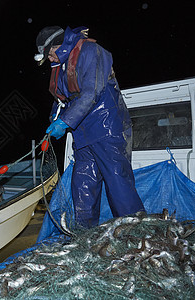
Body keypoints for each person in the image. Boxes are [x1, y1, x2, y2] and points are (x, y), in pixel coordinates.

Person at [34, 26, 145, 228]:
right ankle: (85, 235)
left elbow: (90, 93)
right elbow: (60, 101)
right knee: (82, 184)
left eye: (49, 54)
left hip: (106, 128)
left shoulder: (91, 52)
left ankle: (135, 232)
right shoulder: (61, 65)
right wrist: (54, 121)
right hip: (83, 134)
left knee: (118, 182)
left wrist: (66, 122)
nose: (49, 60)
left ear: (56, 46)